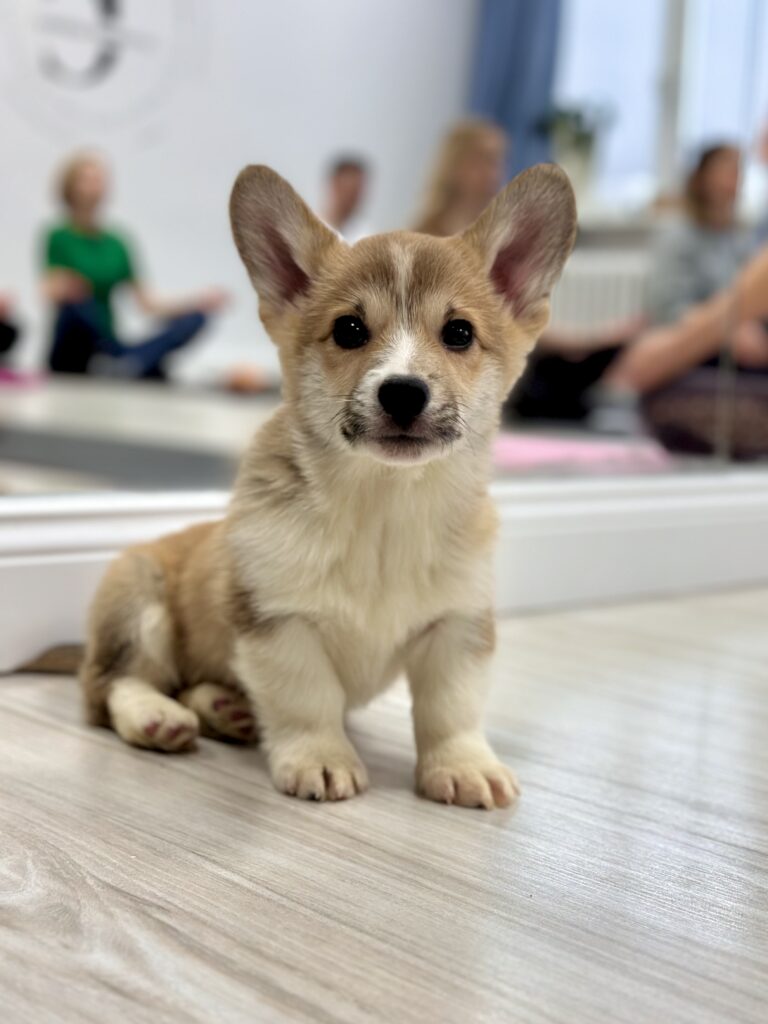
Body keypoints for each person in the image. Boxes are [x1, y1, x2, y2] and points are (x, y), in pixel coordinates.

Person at [41, 152, 227, 379]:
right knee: (78, 308)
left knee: (195, 319)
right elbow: (48, 291)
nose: (93, 187)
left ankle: (129, 363)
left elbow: (147, 304)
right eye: (86, 180)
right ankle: (133, 364)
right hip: (75, 346)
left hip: (108, 343)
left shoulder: (117, 242)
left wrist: (197, 302)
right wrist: (65, 287)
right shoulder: (58, 236)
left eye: (98, 180)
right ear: (70, 186)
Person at [647, 144, 754, 326]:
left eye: (737, 172)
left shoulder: (737, 237)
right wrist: (726, 329)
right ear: (702, 179)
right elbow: (667, 310)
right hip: (692, 335)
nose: (734, 182)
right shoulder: (677, 236)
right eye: (726, 173)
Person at [412, 118, 507, 236]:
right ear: (454, 164)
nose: (493, 174)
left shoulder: (503, 235)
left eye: (496, 162)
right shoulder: (423, 235)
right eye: (480, 160)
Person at [322, 155, 371, 241]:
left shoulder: (366, 234)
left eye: (357, 192)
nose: (354, 199)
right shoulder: (312, 227)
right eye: (349, 190)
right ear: (335, 185)